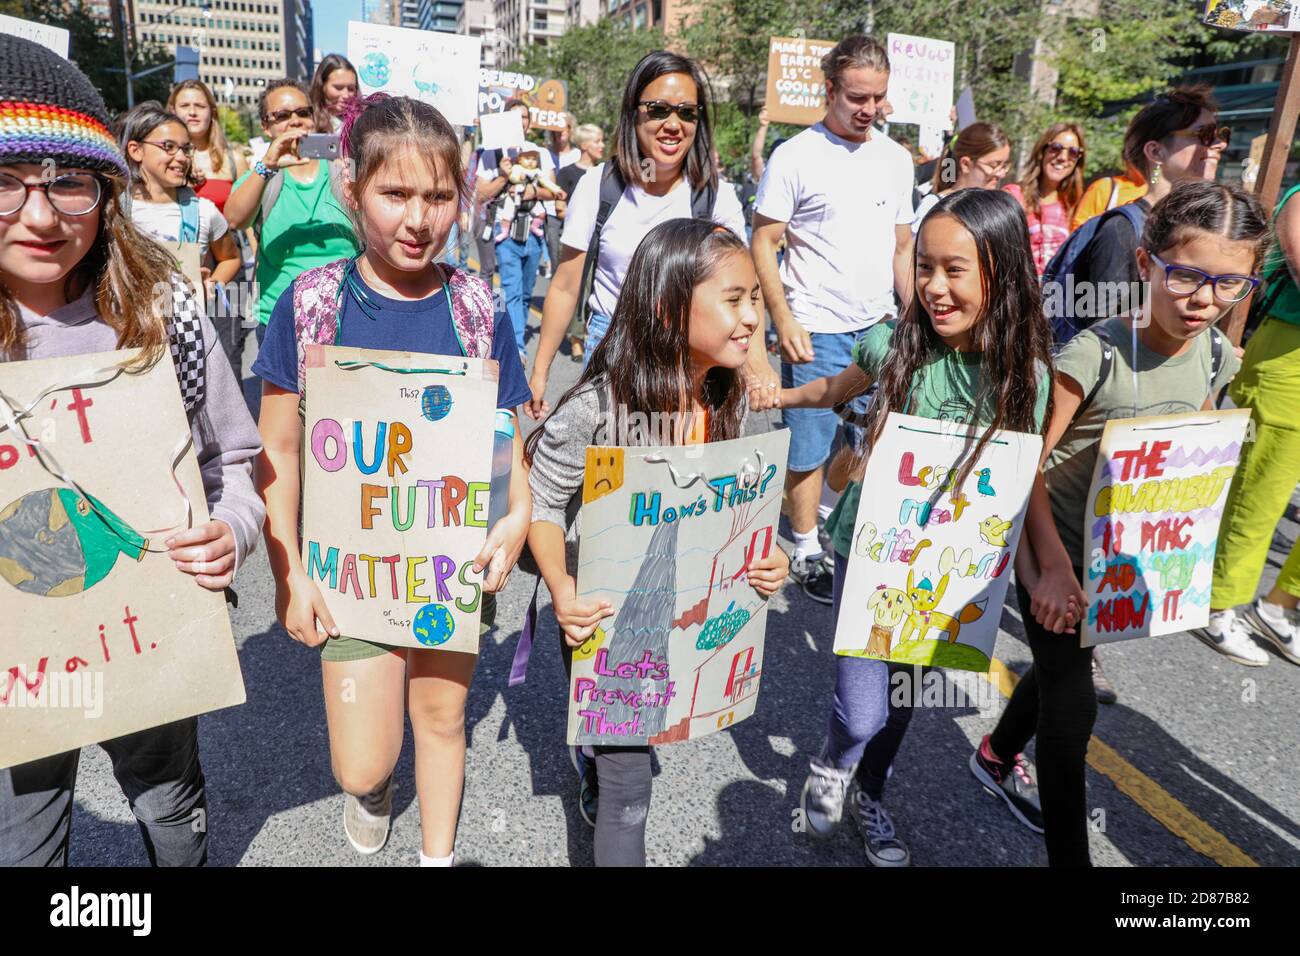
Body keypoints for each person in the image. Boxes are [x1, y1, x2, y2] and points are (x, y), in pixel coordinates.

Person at [0, 34, 264, 866]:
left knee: (170, 810)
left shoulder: (162, 312)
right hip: (18, 665)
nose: (41, 216)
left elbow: (238, 463)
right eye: (5, 181)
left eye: (68, 183)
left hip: (148, 636)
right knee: (26, 838)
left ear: (108, 194)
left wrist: (232, 530)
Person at [254, 94, 533, 866]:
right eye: (397, 194)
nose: (420, 219)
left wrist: (518, 511)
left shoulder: (476, 303)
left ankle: (436, 856)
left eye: (440, 197)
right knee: (362, 763)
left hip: (449, 565)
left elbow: (507, 428)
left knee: (441, 718)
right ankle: (375, 792)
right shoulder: (312, 305)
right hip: (351, 568)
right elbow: (276, 454)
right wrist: (291, 573)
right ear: (354, 190)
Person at [978, 181, 1264, 866]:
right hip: (1051, 550)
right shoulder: (1091, 357)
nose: (1204, 300)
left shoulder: (1218, 355)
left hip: (1117, 558)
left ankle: (994, 751)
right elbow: (1022, 467)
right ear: (1145, 265)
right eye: (1187, 275)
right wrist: (1049, 566)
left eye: (1230, 284)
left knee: (1057, 674)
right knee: (1074, 711)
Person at [781, 188, 1053, 867]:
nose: (933, 287)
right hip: (868, 550)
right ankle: (836, 762)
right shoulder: (894, 342)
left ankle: (871, 792)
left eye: (953, 270)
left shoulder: (1027, 379)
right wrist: (779, 396)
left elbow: (1025, 482)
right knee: (863, 707)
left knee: (904, 694)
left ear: (1004, 270)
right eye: (923, 267)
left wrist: (1049, 568)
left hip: (949, 570)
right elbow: (833, 391)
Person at [525, 217, 790, 865]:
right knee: (628, 785)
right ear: (670, 308)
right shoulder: (600, 405)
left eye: (756, 297)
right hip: (609, 620)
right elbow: (540, 503)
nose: (754, 317)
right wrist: (562, 588)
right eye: (734, 299)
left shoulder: (744, 403)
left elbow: (754, 507)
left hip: (690, 618)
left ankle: (595, 746)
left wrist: (773, 554)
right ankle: (599, 754)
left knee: (641, 749)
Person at [749, 35, 915, 604]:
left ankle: (824, 513)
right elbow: (765, 241)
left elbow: (901, 246)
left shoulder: (895, 159)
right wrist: (783, 318)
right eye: (856, 96)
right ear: (829, 90)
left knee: (868, 439)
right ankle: (806, 545)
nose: (868, 108)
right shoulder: (795, 155)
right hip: (814, 325)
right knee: (809, 446)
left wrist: (915, 318)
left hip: (881, 327)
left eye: (878, 97)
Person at [526, 51, 750, 417]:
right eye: (659, 109)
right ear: (634, 111)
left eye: (687, 112)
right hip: (611, 352)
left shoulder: (715, 196)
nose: (674, 123)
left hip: (692, 364)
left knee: (682, 473)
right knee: (609, 471)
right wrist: (539, 374)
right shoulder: (599, 186)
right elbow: (566, 286)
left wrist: (755, 370)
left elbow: (740, 297)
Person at [1196, 179, 1300, 668]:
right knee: (1259, 492)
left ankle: (1280, 607)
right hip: (1288, 355)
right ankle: (1217, 604)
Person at [223, 79, 359, 345]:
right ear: (266, 126)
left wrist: (349, 170)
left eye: (303, 112)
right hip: (281, 318)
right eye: (282, 116)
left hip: (347, 315)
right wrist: (269, 164)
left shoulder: (342, 168)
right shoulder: (263, 176)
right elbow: (235, 219)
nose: (295, 121)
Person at [1072, 87, 1227, 295]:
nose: (1220, 144)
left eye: (1220, 134)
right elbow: (1106, 324)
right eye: (1205, 134)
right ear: (1155, 151)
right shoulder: (1121, 231)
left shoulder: (1199, 225)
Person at [119, 102, 241, 307]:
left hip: (189, 332)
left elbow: (231, 258)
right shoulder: (115, 212)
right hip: (128, 331)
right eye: (168, 146)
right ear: (136, 150)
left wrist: (210, 284)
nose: (182, 157)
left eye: (186, 148)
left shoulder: (203, 212)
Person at [476, 98, 560, 363]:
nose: (519, 122)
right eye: (513, 117)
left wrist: (527, 192)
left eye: (523, 117)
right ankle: (517, 349)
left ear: (529, 122)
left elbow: (552, 191)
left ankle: (515, 335)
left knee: (525, 292)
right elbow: (480, 195)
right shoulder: (490, 152)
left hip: (533, 233)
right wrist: (502, 176)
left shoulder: (539, 153)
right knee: (510, 290)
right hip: (505, 233)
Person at [1004, 123, 1086, 274]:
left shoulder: (1075, 205)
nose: (1063, 157)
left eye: (1073, 152)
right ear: (1042, 151)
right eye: (1056, 148)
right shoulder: (1014, 196)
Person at [554, 122, 605, 363]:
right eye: (597, 142)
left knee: (595, 291)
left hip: (602, 242)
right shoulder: (567, 174)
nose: (602, 146)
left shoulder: (605, 176)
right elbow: (560, 210)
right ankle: (576, 338)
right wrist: (582, 213)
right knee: (577, 288)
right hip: (578, 242)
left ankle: (590, 331)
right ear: (584, 145)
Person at [168, 79, 248, 215]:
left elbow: (249, 219)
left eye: (200, 106)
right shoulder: (159, 158)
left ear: (212, 112)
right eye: (185, 105)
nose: (192, 112)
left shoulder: (235, 160)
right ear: (173, 111)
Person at [913, 122, 1011, 232]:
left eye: (1005, 165)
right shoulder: (933, 207)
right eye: (994, 165)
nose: (1001, 174)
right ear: (965, 164)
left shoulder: (997, 209)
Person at [542, 111, 580, 278]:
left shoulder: (578, 155)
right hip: (550, 213)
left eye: (566, 127)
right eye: (557, 128)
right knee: (555, 257)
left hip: (573, 213)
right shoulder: (544, 153)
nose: (562, 131)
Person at [309, 53, 358, 133]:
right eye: (338, 88)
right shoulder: (307, 121)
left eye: (351, 89)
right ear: (322, 86)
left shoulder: (362, 122)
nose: (346, 95)